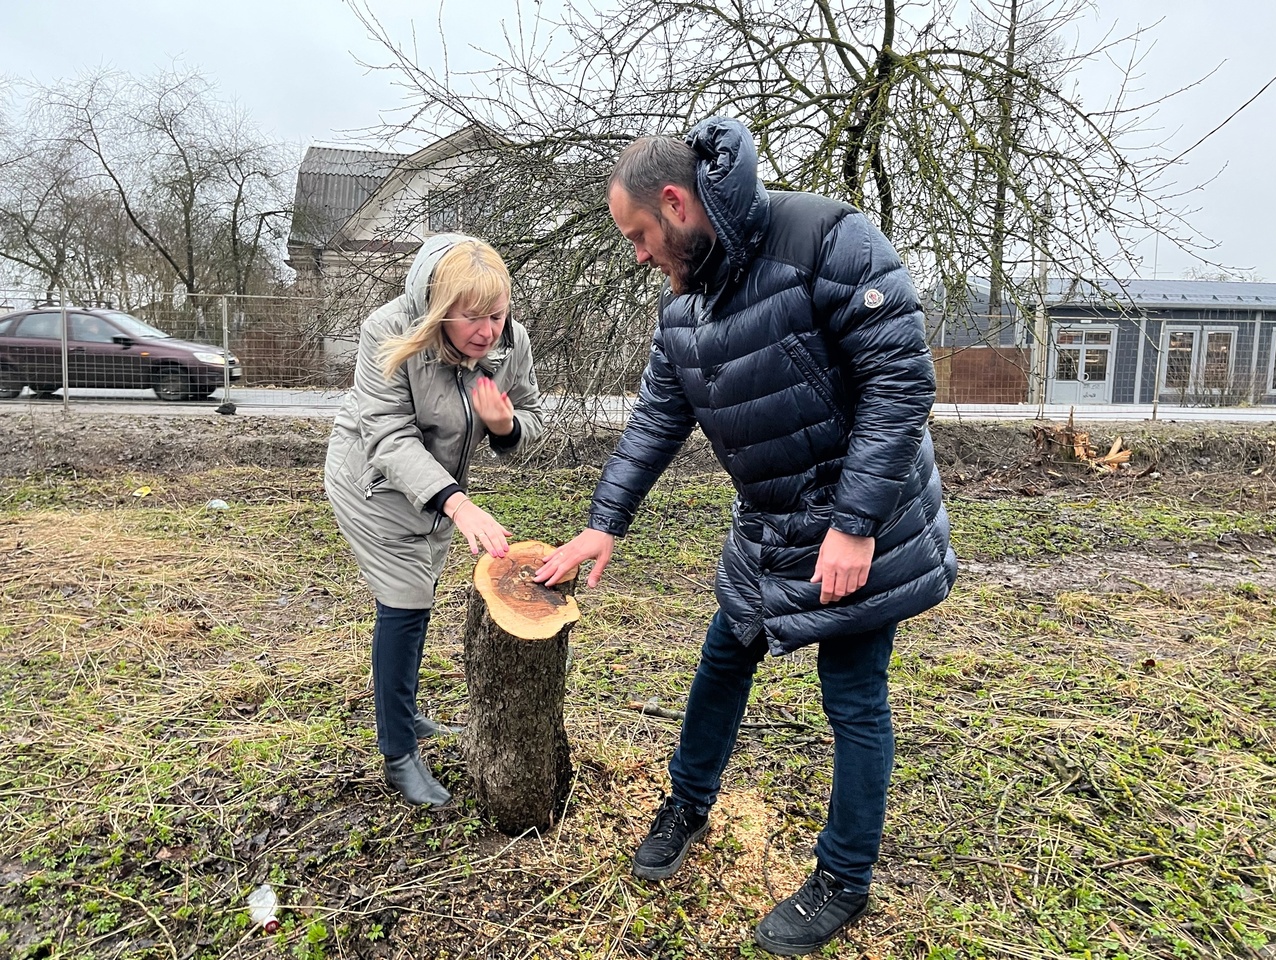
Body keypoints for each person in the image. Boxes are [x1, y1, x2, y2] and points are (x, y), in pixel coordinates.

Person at [535, 117, 956, 955]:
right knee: (725, 656)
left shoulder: (827, 237)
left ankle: (843, 877)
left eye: (641, 237)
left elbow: (902, 381)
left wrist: (855, 525)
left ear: (676, 202)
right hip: (767, 525)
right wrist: (602, 523)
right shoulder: (684, 302)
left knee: (854, 695)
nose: (638, 255)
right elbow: (658, 416)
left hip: (860, 525)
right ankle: (688, 804)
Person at [326, 234, 543, 807]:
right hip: (371, 478)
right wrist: (458, 503)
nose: (488, 331)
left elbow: (532, 413)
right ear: (439, 311)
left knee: (417, 592)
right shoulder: (387, 333)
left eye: (497, 315)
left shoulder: (509, 341)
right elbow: (391, 438)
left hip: (441, 491)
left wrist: (504, 426)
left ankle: (408, 713)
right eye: (472, 318)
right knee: (405, 600)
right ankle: (399, 752)